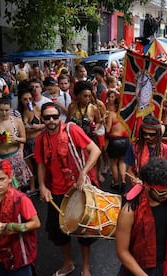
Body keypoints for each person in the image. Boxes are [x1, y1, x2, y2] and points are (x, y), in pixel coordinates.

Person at [35, 102, 101, 276]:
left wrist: (83, 173)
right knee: (58, 231)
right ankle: (68, 263)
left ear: (60, 117)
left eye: (55, 116)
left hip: (78, 189)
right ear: (42, 118)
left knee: (84, 231)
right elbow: (41, 165)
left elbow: (95, 150)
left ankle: (86, 267)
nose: (51, 120)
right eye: (47, 117)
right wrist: (42, 186)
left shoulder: (72, 130)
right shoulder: (41, 139)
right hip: (56, 191)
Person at [0, 158, 40, 274]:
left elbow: (36, 223)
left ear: (10, 177)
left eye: (2, 179)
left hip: (18, 255)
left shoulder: (21, 199)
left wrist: (8, 227)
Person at [0, 97, 32, 189]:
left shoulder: (17, 121)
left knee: (17, 186)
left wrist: (16, 139)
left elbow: (24, 139)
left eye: (7, 110)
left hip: (13, 156)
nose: (4, 113)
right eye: (1, 110)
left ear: (11, 109)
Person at [17, 89, 45, 196]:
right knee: (29, 167)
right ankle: (32, 187)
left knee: (39, 165)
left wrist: (37, 126)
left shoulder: (37, 109)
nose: (27, 101)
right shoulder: (19, 112)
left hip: (36, 140)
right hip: (25, 142)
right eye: (25, 99)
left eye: (29, 98)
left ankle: (42, 186)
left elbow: (46, 123)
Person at [125, 115, 167, 180]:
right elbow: (129, 170)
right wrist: (135, 180)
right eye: (144, 133)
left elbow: (166, 171)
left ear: (158, 134)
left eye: (152, 134)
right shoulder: (134, 147)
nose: (147, 136)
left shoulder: (165, 149)